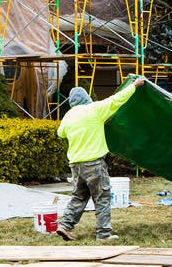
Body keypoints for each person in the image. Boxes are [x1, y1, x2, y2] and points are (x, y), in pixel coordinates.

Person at [55, 77, 145, 241]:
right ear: (86, 98)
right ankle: (103, 234)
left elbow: (60, 133)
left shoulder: (69, 116)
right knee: (102, 197)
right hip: (94, 164)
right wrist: (133, 86)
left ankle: (65, 225)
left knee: (78, 196)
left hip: (75, 165)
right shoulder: (94, 110)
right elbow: (115, 100)